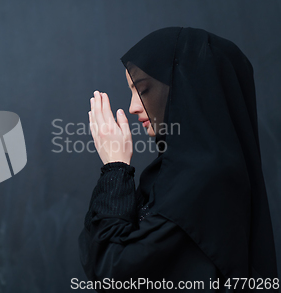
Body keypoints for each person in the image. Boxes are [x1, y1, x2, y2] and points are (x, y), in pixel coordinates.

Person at [79, 27, 278, 292]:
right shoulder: (176, 174)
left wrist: (116, 168)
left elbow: (113, 273)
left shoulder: (206, 178)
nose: (133, 106)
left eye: (143, 89)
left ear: (186, 88)